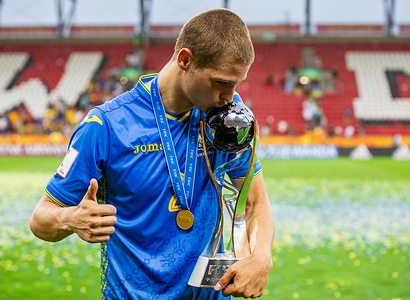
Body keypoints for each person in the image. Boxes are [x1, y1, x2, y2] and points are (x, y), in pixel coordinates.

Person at [30, 8, 274, 299]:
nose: (231, 97)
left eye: (237, 84)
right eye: (222, 82)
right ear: (185, 60)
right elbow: (40, 219)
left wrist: (261, 256)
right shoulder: (107, 126)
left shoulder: (228, 120)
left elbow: (255, 201)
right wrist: (70, 219)